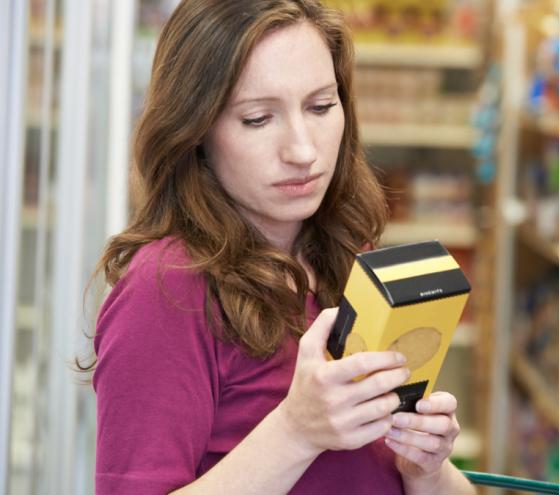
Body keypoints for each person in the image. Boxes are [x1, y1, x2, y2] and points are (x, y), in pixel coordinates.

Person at [87, 1, 476, 493]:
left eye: (320, 107)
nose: (303, 150)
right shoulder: (165, 290)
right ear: (195, 129)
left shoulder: (344, 253)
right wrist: (296, 431)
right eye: (257, 119)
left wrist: (426, 467)